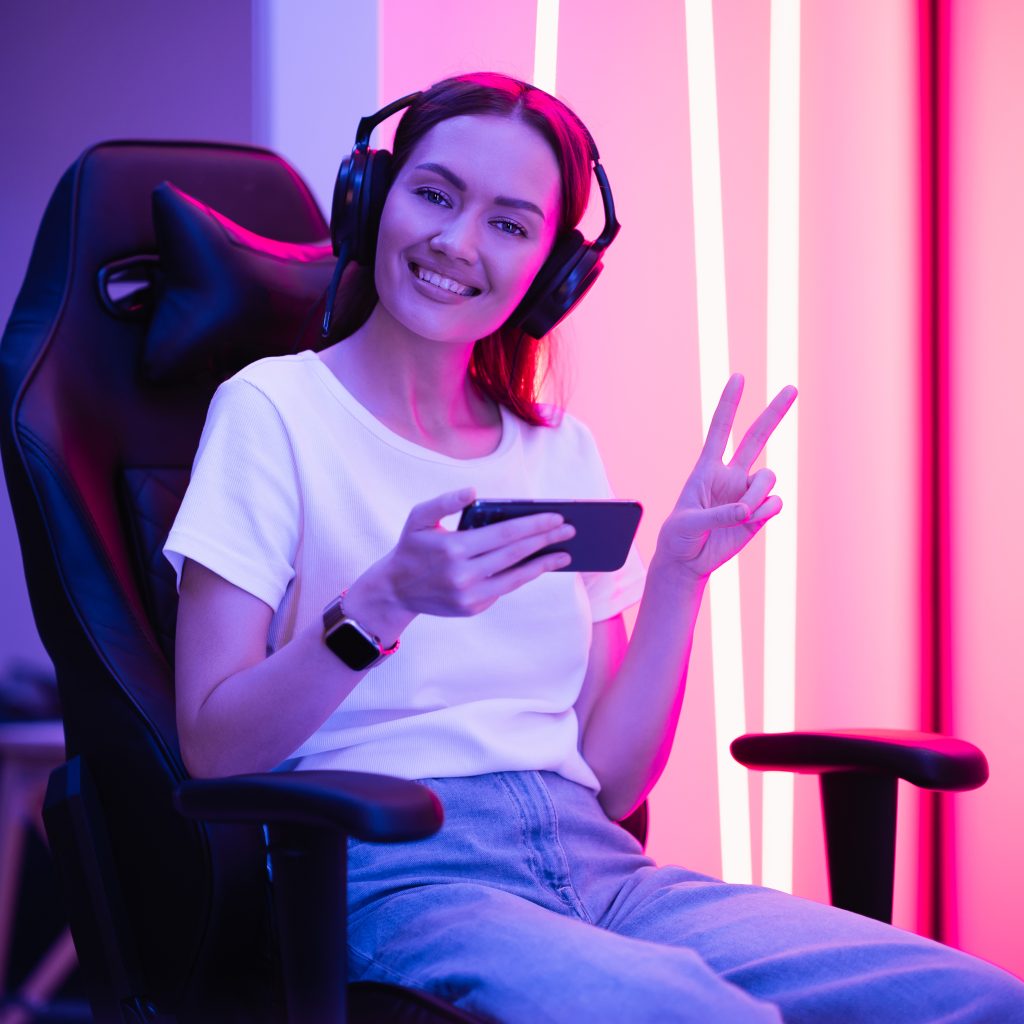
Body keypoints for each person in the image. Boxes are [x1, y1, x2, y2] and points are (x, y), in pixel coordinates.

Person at [164, 72, 1024, 1023]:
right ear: (373, 198)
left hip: (596, 864)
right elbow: (212, 745)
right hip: (397, 877)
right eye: (435, 194)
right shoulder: (273, 410)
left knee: (975, 1002)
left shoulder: (558, 449)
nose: (456, 242)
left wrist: (678, 582)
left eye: (510, 223)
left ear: (553, 271)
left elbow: (608, 777)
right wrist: (381, 603)